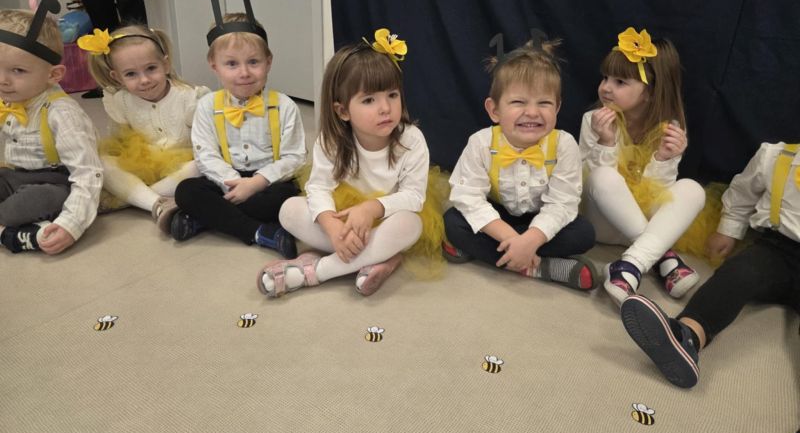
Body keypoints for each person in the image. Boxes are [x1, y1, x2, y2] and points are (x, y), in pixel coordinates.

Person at [260, 29, 433, 297]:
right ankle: (377, 258)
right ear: (342, 111)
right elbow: (318, 188)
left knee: (411, 224)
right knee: (289, 210)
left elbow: (413, 196)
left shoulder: (411, 140)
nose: (385, 108)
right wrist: (333, 228)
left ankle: (318, 270)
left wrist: (372, 208)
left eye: (392, 95)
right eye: (369, 100)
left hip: (386, 218)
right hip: (343, 219)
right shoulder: (331, 141)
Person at [620, 141, 800, 394]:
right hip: (776, 249)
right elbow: (742, 194)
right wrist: (729, 230)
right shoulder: (776, 155)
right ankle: (686, 336)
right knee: (739, 273)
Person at [442, 34, 597, 290]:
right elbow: (469, 197)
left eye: (544, 103)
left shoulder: (564, 144)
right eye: (518, 102)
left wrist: (531, 240)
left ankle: (496, 254)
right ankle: (540, 268)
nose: (532, 112)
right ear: (494, 110)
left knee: (583, 233)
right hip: (497, 219)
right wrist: (511, 238)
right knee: (454, 222)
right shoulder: (481, 143)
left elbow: (562, 203)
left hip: (539, 219)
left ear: (557, 108)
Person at [170, 0, 305, 253]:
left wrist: (255, 184)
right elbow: (206, 155)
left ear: (268, 62)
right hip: (224, 179)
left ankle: (207, 219)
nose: (244, 72)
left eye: (253, 62)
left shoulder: (284, 105)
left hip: (268, 182)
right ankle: (258, 232)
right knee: (186, 191)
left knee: (286, 199)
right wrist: (232, 184)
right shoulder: (207, 106)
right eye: (231, 64)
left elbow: (294, 157)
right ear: (214, 66)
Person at [579, 28, 705, 306]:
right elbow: (589, 183)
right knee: (603, 176)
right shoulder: (594, 120)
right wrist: (606, 142)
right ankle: (663, 259)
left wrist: (663, 158)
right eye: (605, 78)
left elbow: (660, 192)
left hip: (647, 224)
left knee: (693, 189)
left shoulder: (671, 128)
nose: (606, 87)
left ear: (650, 92)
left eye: (620, 82)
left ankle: (630, 265)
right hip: (603, 221)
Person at [78, 25, 209, 229]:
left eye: (151, 68)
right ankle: (155, 203)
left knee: (202, 164)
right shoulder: (120, 100)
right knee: (103, 162)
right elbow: (120, 141)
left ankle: (131, 198)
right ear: (116, 77)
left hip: (183, 162)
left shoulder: (189, 98)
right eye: (131, 74)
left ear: (165, 64)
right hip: (143, 162)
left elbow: (206, 141)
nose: (144, 80)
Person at [0, 0, 102, 254]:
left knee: (28, 203)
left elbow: (88, 172)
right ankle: (14, 229)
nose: (3, 80)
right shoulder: (10, 99)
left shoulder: (61, 113)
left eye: (18, 70)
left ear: (53, 75)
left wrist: (71, 224)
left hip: (54, 182)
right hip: (15, 175)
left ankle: (14, 228)